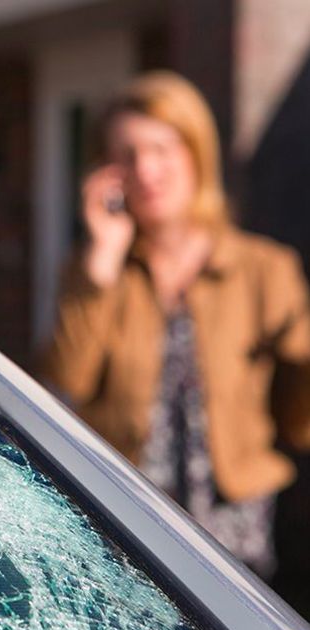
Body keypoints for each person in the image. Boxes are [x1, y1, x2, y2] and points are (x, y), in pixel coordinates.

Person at [42, 70, 310, 579]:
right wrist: (99, 266)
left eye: (163, 148)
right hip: (123, 529)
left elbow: (301, 424)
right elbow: (62, 385)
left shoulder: (264, 269)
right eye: (127, 154)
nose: (146, 169)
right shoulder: (95, 271)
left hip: (236, 536)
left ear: (196, 154)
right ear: (106, 171)